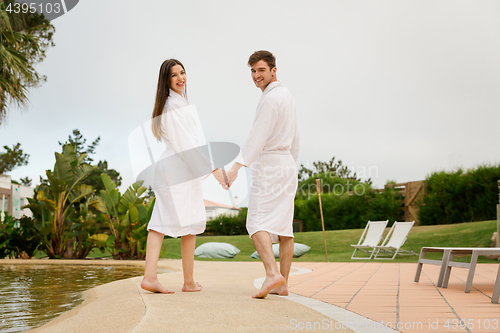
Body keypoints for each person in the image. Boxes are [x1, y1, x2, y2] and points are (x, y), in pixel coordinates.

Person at [141, 59, 227, 294]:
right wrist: (215, 170)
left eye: (183, 72)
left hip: (181, 172)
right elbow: (186, 146)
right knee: (164, 223)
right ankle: (158, 278)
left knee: (183, 224)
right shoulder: (172, 106)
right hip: (177, 172)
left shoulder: (178, 103)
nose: (181, 78)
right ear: (166, 81)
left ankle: (183, 280)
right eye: (174, 75)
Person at [226, 50, 300, 298]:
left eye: (261, 70)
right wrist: (293, 165)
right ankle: (283, 284)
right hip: (287, 164)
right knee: (284, 228)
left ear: (273, 70)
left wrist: (237, 166)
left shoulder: (270, 99)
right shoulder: (287, 96)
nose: (256, 76)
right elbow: (296, 136)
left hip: (271, 165)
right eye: (253, 71)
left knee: (255, 222)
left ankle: (272, 274)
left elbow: (258, 136)